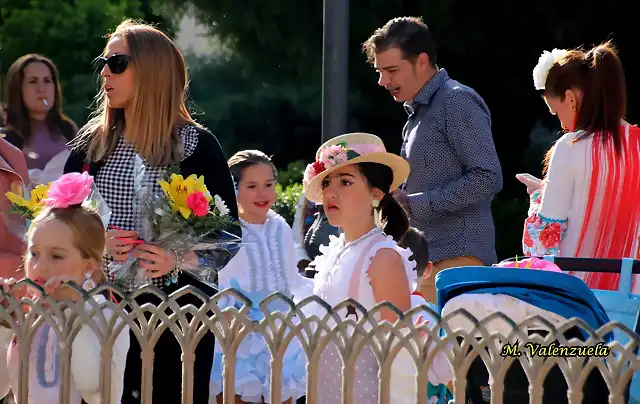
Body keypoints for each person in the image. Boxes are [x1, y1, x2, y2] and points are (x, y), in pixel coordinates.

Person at [62, 20, 238, 403]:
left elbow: (229, 236)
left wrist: (176, 257)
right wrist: (97, 240)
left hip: (179, 318)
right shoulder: (89, 146)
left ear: (152, 70)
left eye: (118, 62)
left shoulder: (198, 145)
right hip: (99, 315)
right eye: (104, 62)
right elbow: (60, 222)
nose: (105, 72)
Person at [362, 17, 503, 305]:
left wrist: (415, 204)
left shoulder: (456, 100)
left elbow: (488, 177)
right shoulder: (419, 112)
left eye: (391, 70)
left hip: (459, 260)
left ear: (422, 61)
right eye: (380, 71)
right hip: (431, 261)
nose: (382, 81)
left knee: (453, 351)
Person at [302, 132, 451, 403]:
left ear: (376, 194)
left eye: (346, 182)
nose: (331, 193)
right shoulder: (334, 251)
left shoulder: (382, 257)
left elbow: (399, 350)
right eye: (327, 182)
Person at [520, 41, 640, 293]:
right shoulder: (637, 145)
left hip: (579, 302)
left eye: (556, 110)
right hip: (632, 301)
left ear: (571, 98)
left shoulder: (570, 148)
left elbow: (541, 246)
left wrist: (538, 197)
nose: (561, 122)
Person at [0, 173, 130, 403]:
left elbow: (94, 389)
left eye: (56, 256)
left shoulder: (108, 315)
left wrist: (76, 310)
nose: (40, 267)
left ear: (88, 265)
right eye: (34, 254)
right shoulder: (28, 314)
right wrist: (5, 323)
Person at [211, 150, 311, 403]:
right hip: (239, 329)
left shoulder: (280, 227)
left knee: (283, 391)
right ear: (234, 189)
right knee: (239, 390)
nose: (262, 193)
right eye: (252, 186)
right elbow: (218, 280)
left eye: (268, 185)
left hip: (280, 327)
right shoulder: (228, 232)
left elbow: (292, 278)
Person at [2, 54, 78, 185]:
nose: (41, 89)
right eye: (33, 81)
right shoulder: (7, 139)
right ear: (18, 89)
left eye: (47, 80)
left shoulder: (68, 129)